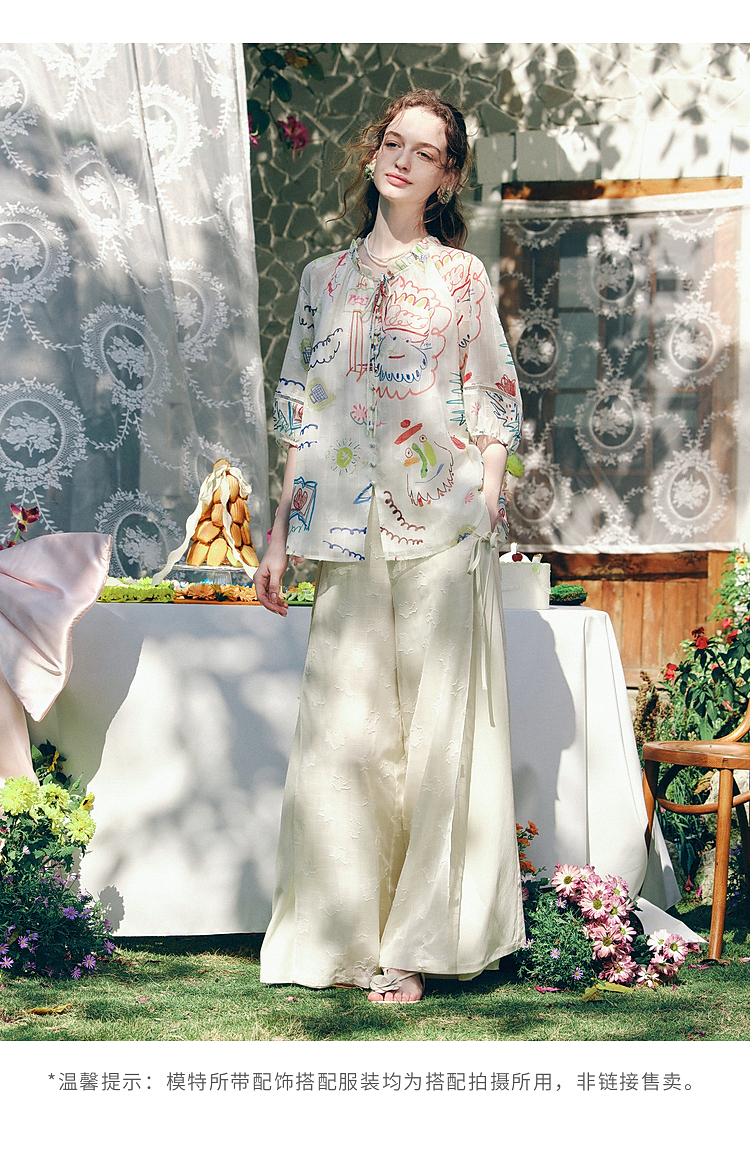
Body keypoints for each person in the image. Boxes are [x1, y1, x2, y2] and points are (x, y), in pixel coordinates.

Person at [254, 89, 524, 1003]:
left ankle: (416, 947)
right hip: (342, 525)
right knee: (347, 736)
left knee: (436, 735)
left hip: (442, 525)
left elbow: (494, 392)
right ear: (374, 154)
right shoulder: (320, 279)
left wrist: (486, 493)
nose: (402, 160)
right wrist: (277, 538)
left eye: (425, 152)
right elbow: (301, 411)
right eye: (392, 142)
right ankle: (339, 936)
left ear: (446, 177)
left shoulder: (461, 278)